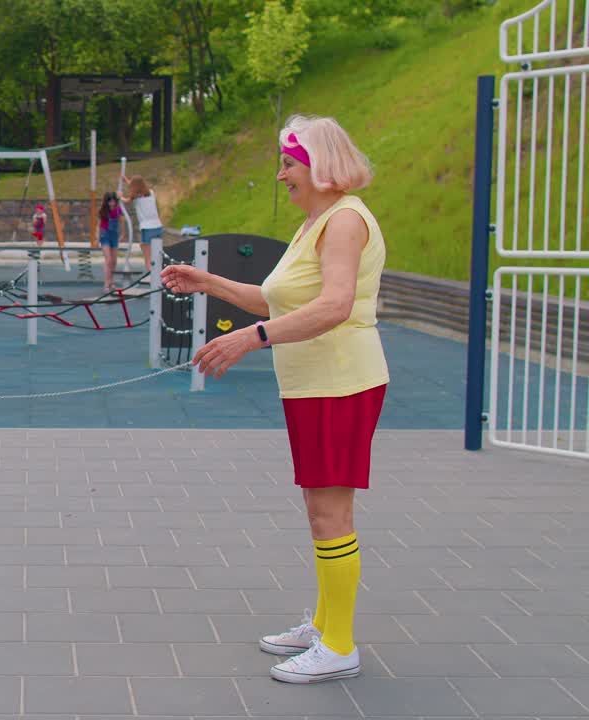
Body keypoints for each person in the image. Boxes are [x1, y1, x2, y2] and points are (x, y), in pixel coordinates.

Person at [160, 114, 388, 684]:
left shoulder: (345, 221)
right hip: (314, 382)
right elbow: (271, 299)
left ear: (319, 166)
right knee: (322, 512)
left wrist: (247, 338)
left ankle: (339, 646)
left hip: (340, 380)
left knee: (330, 512)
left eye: (288, 163)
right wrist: (207, 283)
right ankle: (327, 622)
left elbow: (335, 305)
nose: (281, 174)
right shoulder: (317, 221)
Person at [122, 174, 164, 272]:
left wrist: (119, 196)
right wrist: (127, 180)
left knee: (148, 256)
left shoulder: (136, 197)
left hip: (147, 228)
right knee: (156, 254)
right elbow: (138, 186)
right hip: (158, 226)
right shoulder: (151, 193)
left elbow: (126, 200)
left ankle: (151, 275)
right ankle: (158, 273)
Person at [97, 192, 124, 291]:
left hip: (114, 236)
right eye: (110, 201)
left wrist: (122, 234)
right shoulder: (103, 211)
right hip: (105, 236)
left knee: (114, 261)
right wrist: (97, 238)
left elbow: (121, 222)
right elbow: (99, 225)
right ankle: (106, 283)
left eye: (113, 201)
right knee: (108, 260)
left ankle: (111, 282)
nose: (112, 203)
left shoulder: (118, 210)